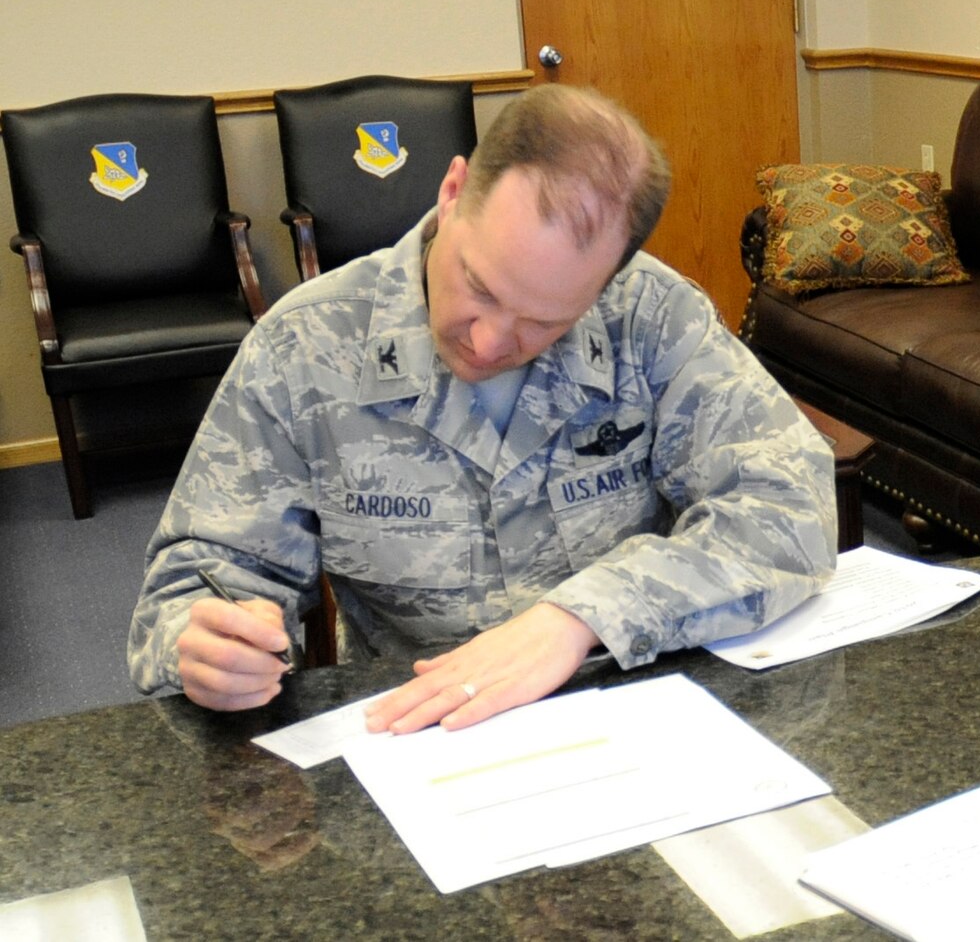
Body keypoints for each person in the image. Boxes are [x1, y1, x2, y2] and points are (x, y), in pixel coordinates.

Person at [130, 84, 837, 734]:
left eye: (546, 319)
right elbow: (197, 578)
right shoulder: (305, 346)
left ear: (604, 286)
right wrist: (204, 645)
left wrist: (581, 617)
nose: (493, 340)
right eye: (482, 286)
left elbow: (791, 506)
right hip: (418, 734)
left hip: (624, 711)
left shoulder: (651, 318)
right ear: (453, 191)